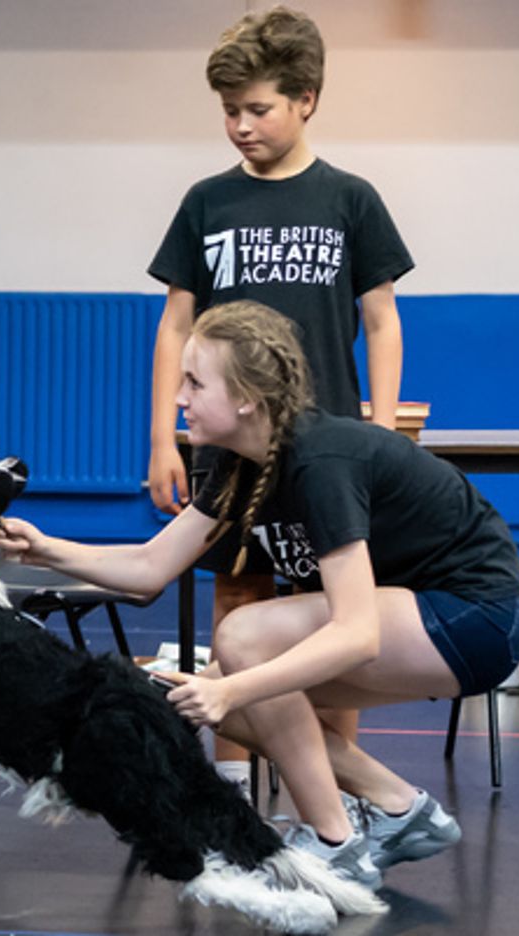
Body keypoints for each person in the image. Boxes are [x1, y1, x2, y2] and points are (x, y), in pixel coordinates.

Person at [0, 300, 519, 887]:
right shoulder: (241, 464)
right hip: (425, 616)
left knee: (243, 642)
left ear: (248, 397)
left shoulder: (322, 461)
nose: (179, 399)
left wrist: (228, 689)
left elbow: (356, 634)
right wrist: (43, 547)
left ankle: (336, 842)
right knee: (242, 696)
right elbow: (152, 567)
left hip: (478, 616)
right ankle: (401, 808)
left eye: (195, 383)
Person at [145, 4, 414, 794]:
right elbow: (174, 326)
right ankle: (231, 786)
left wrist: (386, 429)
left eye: (256, 108)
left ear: (307, 99)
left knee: (334, 614)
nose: (239, 125)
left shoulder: (350, 199)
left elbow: (382, 319)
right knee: (238, 602)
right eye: (229, 111)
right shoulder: (206, 202)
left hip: (325, 440)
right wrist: (166, 436)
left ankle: (335, 794)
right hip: (227, 444)